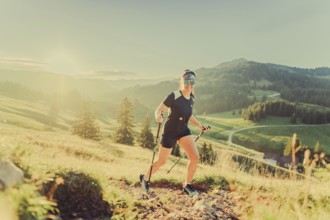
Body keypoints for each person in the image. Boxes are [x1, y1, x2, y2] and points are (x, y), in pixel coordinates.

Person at [139, 69, 209, 196]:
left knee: (195, 157)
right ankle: (145, 178)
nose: (189, 84)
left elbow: (189, 114)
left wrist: (200, 125)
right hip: (170, 132)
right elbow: (159, 109)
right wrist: (158, 116)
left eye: (192, 81)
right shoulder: (174, 95)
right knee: (162, 161)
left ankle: (187, 185)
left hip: (183, 131)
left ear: (194, 83)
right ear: (182, 82)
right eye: (187, 81)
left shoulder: (191, 98)